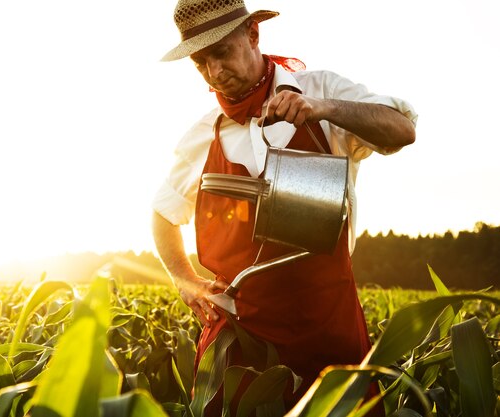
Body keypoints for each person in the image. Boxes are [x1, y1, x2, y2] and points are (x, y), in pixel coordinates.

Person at [151, 0, 417, 415]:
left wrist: (323, 110)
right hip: (239, 338)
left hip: (328, 328)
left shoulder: (321, 89)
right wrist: (185, 279)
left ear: (253, 35)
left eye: (222, 52)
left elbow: (403, 130)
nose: (215, 73)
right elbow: (164, 213)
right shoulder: (202, 135)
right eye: (201, 63)